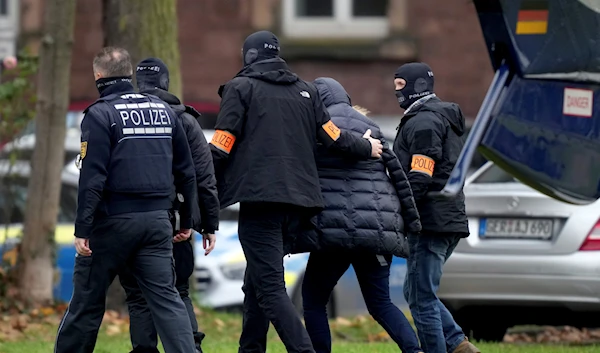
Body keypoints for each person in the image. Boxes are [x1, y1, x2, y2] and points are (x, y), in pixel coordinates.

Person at [210, 31, 383, 353]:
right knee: (256, 283)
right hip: (300, 204)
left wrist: (188, 169)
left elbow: (222, 145)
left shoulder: (240, 89)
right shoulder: (306, 91)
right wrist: (366, 146)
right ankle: (251, 349)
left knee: (271, 288)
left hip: (261, 202)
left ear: (248, 56)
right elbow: (333, 137)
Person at [54, 47, 197, 353]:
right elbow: (185, 171)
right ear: (130, 74)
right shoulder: (164, 111)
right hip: (157, 223)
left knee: (87, 302)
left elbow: (92, 178)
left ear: (98, 75)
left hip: (111, 224)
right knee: (167, 301)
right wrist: (186, 220)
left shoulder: (100, 114)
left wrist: (83, 228)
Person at [300, 77, 424, 353]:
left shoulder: (314, 127)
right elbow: (400, 180)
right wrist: (412, 224)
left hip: (331, 232)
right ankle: (415, 351)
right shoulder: (372, 127)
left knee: (313, 300)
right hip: (375, 231)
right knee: (381, 304)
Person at [114, 57, 220, 353]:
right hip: (175, 223)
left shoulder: (121, 116)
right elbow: (203, 175)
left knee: (137, 295)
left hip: (128, 220)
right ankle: (191, 348)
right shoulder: (184, 119)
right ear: (165, 82)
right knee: (178, 290)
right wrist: (208, 223)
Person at [392, 62, 480, 353]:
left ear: (418, 86)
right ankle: (457, 343)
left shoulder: (424, 122)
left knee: (421, 297)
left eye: (401, 87)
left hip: (430, 220)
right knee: (416, 291)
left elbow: (421, 174)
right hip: (448, 216)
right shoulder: (442, 118)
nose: (397, 93)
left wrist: (403, 211)